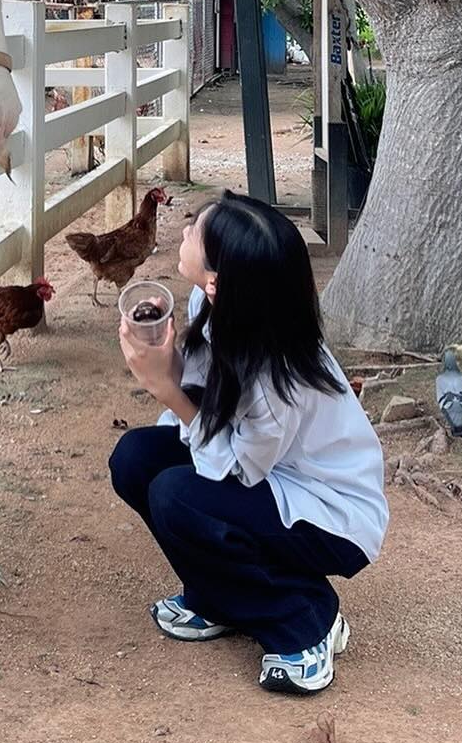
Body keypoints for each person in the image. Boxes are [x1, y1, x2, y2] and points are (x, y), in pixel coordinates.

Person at [110, 191, 387, 695]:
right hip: (267, 470)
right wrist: (167, 363)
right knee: (135, 460)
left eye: (197, 231)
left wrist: (166, 389)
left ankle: (305, 621)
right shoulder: (218, 307)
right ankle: (219, 597)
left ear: (218, 281)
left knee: (177, 496)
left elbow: (238, 471)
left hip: (329, 511)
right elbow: (207, 405)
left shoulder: (278, 379)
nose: (187, 229)